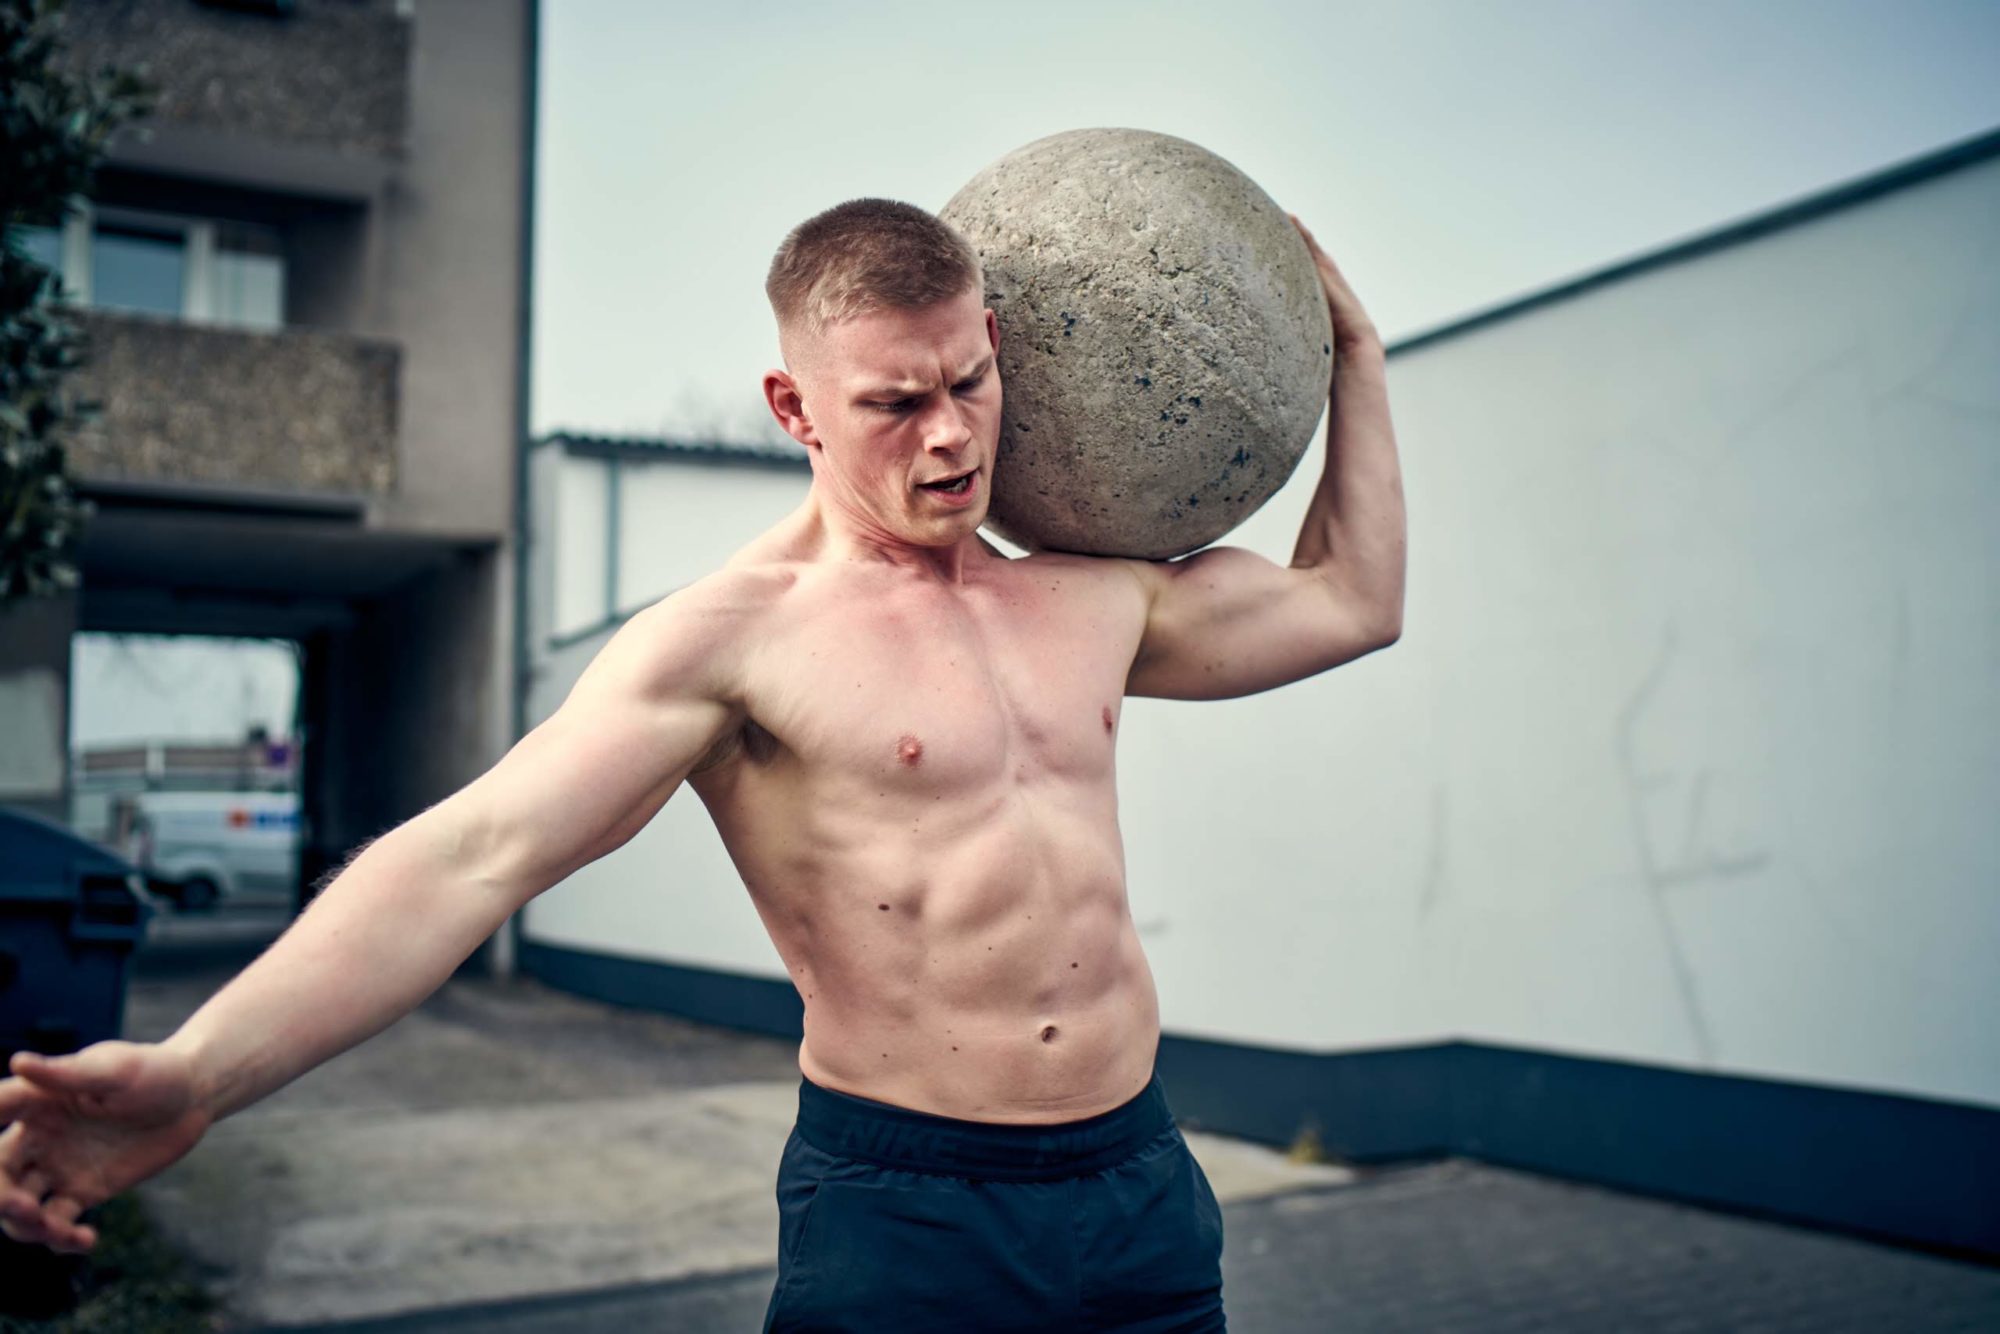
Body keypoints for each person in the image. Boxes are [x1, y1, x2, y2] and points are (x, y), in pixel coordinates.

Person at [0, 198, 1405, 1330]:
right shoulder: (731, 644)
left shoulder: (1093, 596)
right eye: (894, 404)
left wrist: (1355, 356)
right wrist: (195, 1075)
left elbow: (1354, 598)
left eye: (971, 380)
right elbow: (464, 858)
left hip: (1137, 1178)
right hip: (906, 1210)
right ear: (794, 407)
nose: (953, 435)